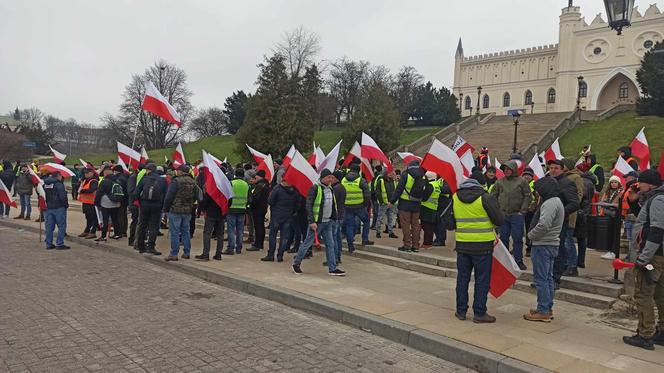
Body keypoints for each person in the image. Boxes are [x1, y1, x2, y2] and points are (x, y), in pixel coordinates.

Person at [449, 175, 505, 323]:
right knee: (482, 280)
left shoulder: (455, 197)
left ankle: (461, 311)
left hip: (462, 244)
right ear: (480, 185)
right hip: (482, 246)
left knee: (462, 278)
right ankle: (479, 313)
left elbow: (448, 222)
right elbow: (499, 220)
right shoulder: (485, 197)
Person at [623, 169, 664, 350]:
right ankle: (661, 332)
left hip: (653, 256)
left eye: (641, 183)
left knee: (643, 293)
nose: (639, 186)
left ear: (650, 183)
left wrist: (643, 258)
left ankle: (645, 335)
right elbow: (646, 220)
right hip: (658, 254)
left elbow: (655, 230)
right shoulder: (656, 198)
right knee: (660, 294)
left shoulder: (657, 200)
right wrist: (633, 202)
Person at [524, 176, 564, 322]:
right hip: (551, 244)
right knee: (548, 278)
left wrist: (531, 235)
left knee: (541, 279)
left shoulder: (549, 204)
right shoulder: (556, 201)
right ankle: (546, 306)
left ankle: (543, 310)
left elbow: (544, 224)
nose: (537, 193)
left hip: (543, 244)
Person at [292, 169, 345, 276]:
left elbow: (332, 205)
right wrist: (312, 221)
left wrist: (334, 217)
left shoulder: (330, 189)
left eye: (332, 177)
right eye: (329, 177)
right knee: (307, 243)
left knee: (330, 244)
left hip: (328, 221)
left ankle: (332, 268)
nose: (331, 179)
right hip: (317, 222)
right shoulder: (315, 188)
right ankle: (296, 264)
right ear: (323, 177)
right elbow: (309, 205)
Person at [491, 160, 532, 270]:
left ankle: (518, 260)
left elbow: (528, 196)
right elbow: (493, 196)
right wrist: (497, 210)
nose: (506, 171)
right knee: (503, 238)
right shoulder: (499, 182)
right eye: (505, 169)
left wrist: (523, 210)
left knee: (518, 238)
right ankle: (505, 261)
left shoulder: (521, 181)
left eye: (509, 169)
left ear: (514, 169)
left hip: (516, 215)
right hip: (503, 215)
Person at [547, 159, 580, 288]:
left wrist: (559, 213)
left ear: (562, 169)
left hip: (559, 222)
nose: (553, 170)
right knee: (547, 250)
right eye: (551, 168)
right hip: (547, 221)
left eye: (556, 168)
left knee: (558, 250)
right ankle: (546, 278)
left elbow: (574, 203)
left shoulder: (567, 183)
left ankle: (555, 278)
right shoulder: (548, 181)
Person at [391, 160, 429, 252]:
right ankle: (415, 246)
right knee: (416, 226)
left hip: (405, 204)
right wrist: (422, 199)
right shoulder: (423, 175)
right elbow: (427, 190)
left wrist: (392, 201)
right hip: (417, 205)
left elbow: (399, 189)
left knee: (406, 225)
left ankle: (407, 245)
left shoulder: (406, 174)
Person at [163, 164, 198, 261]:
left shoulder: (176, 181)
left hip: (175, 209)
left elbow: (169, 196)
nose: (176, 172)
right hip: (187, 210)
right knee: (185, 231)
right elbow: (197, 195)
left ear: (181, 172)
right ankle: (187, 252)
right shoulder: (193, 182)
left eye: (178, 170)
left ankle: (174, 253)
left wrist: (165, 208)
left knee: (174, 232)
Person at [134, 163, 167, 255]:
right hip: (156, 206)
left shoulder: (144, 179)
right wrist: (162, 205)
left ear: (149, 170)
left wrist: (141, 202)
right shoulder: (162, 180)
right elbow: (166, 194)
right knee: (154, 226)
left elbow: (136, 193)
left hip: (144, 205)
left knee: (142, 225)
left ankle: (141, 246)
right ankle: (151, 247)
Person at [262, 179, 298, 262]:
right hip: (288, 216)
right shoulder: (294, 190)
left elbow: (270, 201)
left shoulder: (277, 188)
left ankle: (271, 255)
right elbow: (297, 203)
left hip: (276, 215)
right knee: (284, 237)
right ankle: (280, 255)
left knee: (273, 236)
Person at [560, 158, 585, 276]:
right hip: (560, 212)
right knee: (562, 241)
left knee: (568, 241)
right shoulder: (560, 176)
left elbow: (579, 194)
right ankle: (564, 264)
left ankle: (572, 265)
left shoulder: (576, 177)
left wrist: (571, 205)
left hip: (570, 213)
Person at [341, 164, 373, 253]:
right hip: (360, 206)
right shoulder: (361, 180)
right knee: (366, 221)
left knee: (349, 225)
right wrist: (365, 205)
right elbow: (367, 194)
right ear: (358, 171)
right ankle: (365, 239)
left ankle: (350, 245)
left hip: (347, 207)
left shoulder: (343, 180)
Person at [196, 167, 226, 261]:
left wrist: (203, 209)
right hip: (221, 212)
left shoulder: (212, 186)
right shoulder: (226, 186)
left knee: (207, 234)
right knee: (220, 234)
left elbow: (205, 200)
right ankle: (218, 254)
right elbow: (230, 199)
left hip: (211, 213)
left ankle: (205, 254)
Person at [94, 166, 122, 242]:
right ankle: (117, 234)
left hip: (106, 203)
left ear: (105, 173)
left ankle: (103, 236)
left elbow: (99, 193)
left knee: (105, 220)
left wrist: (96, 203)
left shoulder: (104, 181)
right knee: (115, 219)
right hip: (116, 202)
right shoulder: (117, 180)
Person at [42, 171, 70, 250]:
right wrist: (65, 205)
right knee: (61, 226)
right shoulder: (59, 184)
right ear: (58, 176)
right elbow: (62, 197)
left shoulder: (45, 184)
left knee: (49, 227)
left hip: (48, 207)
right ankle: (59, 243)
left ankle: (49, 244)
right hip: (59, 207)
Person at [576, 163, 596, 268]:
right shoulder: (590, 182)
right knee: (582, 239)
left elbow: (581, 198)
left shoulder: (583, 182)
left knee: (577, 238)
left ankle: (576, 261)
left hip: (581, 212)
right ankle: (581, 260)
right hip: (586, 212)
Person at [420, 172, 448, 249]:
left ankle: (436, 241)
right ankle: (436, 239)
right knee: (433, 225)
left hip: (436, 206)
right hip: (435, 206)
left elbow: (447, 189)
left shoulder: (441, 182)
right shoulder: (437, 182)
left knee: (435, 224)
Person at [225, 168, 249, 255]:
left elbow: (228, 195)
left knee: (231, 230)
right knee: (240, 230)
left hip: (231, 209)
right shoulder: (246, 184)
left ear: (235, 174)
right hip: (242, 209)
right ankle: (239, 248)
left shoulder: (232, 183)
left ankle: (230, 248)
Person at [248, 169, 270, 251]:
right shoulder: (265, 184)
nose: (255, 177)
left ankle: (258, 244)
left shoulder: (260, 186)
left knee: (258, 227)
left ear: (260, 176)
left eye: (256, 175)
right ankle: (259, 243)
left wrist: (251, 203)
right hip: (263, 207)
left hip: (258, 208)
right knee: (260, 226)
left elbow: (255, 198)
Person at [374, 169, 398, 239]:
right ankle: (378, 232)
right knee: (380, 218)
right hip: (384, 203)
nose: (393, 175)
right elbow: (378, 192)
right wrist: (381, 202)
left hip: (391, 203)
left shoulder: (393, 181)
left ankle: (390, 232)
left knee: (390, 218)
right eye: (392, 173)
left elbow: (395, 191)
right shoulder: (380, 181)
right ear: (387, 174)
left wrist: (393, 201)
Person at [77, 168, 99, 239]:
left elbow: (93, 189)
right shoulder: (85, 180)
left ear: (92, 173)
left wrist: (83, 191)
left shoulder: (94, 181)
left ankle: (93, 232)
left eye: (88, 173)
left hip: (92, 203)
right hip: (86, 202)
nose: (86, 174)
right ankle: (87, 230)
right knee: (88, 218)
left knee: (93, 218)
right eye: (85, 173)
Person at [331, 170, 346, 264]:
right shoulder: (341, 187)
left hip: (336, 216)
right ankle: (338, 257)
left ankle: (335, 258)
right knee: (337, 237)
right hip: (341, 215)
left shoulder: (335, 189)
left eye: (331, 177)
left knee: (334, 238)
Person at [112, 165, 129, 238]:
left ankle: (119, 232)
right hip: (125, 199)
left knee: (119, 216)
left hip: (120, 200)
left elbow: (118, 190)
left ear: (115, 171)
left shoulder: (118, 179)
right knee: (124, 216)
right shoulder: (125, 177)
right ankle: (124, 231)